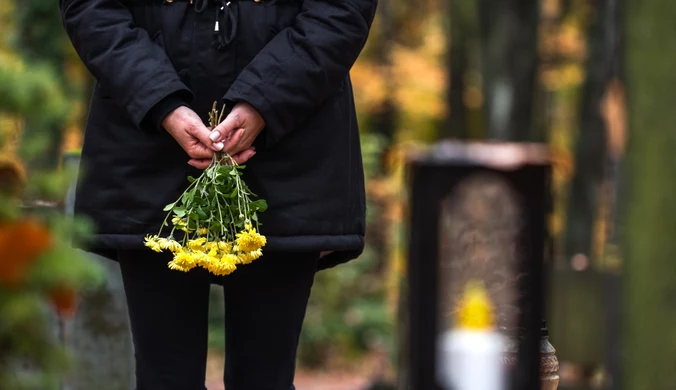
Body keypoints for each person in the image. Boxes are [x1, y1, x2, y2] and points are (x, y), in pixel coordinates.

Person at [58, 0, 377, 389]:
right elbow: (92, 8)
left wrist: (265, 101)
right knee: (165, 379)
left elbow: (341, 10)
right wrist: (161, 101)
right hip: (147, 143)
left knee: (264, 379)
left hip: (290, 140)